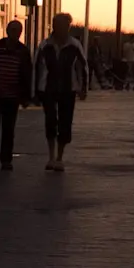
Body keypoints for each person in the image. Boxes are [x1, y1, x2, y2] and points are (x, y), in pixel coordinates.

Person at [35, 13, 87, 172]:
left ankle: (59, 157)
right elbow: (37, 68)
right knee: (50, 120)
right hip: (48, 88)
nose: (62, 28)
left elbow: (82, 67)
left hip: (67, 88)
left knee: (65, 122)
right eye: (59, 25)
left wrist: (82, 88)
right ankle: (51, 156)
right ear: (54, 26)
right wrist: (36, 91)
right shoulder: (45, 45)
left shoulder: (74, 45)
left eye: (65, 25)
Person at [0, 21, 33, 171]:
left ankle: (6, 160)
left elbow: (27, 74)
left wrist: (25, 96)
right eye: (13, 30)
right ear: (7, 30)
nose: (15, 33)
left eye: (18, 30)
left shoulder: (22, 52)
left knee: (8, 129)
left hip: (12, 97)